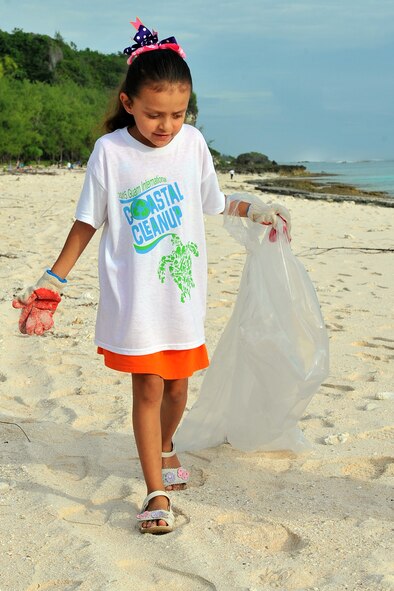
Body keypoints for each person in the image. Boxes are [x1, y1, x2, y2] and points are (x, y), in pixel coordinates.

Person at [14, 18, 291, 535]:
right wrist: (55, 279)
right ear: (128, 104)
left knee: (179, 391)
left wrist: (255, 210)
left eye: (178, 114)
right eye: (154, 114)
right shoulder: (111, 153)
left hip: (182, 294)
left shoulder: (193, 145)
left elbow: (212, 201)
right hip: (137, 297)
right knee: (147, 389)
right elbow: (87, 221)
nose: (166, 126)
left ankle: (165, 446)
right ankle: (155, 490)